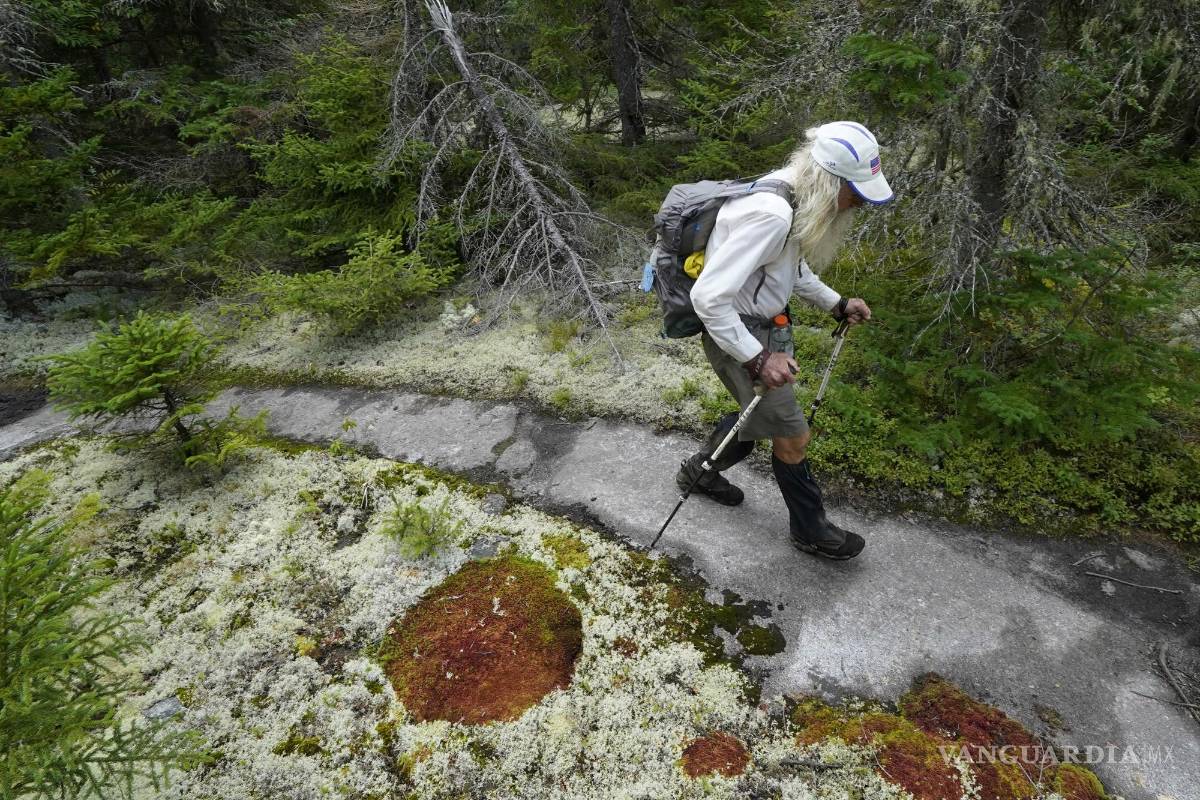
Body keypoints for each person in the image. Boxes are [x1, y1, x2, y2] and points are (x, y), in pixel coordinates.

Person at [675, 121, 893, 560]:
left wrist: (836, 303)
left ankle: (700, 473)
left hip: (763, 328)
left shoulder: (793, 194)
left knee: (758, 418)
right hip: (740, 334)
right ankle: (811, 530)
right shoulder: (771, 213)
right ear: (832, 181)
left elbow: (789, 268)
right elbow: (709, 298)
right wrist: (758, 360)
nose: (859, 205)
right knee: (792, 437)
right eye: (856, 194)